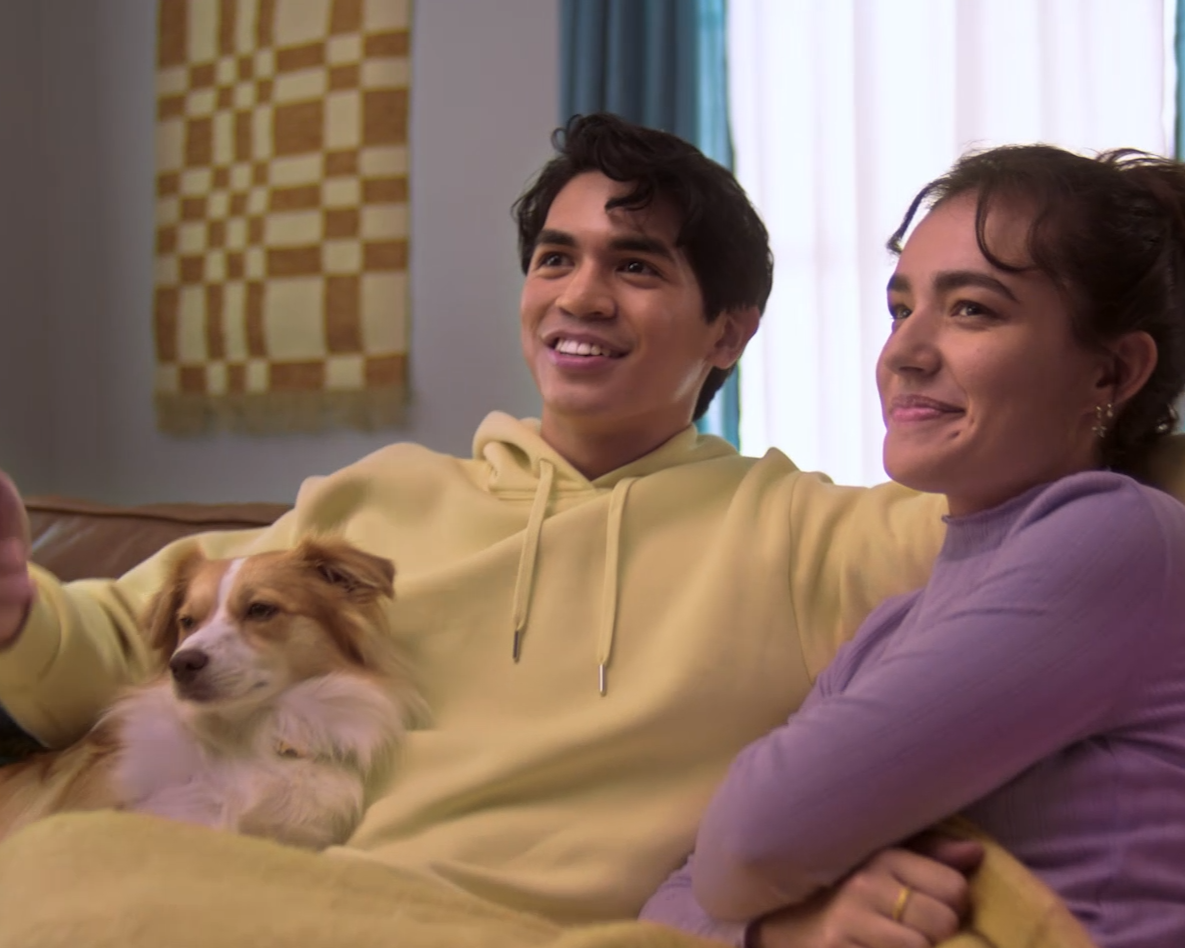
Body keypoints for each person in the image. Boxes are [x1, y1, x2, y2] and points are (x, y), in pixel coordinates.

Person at [642, 144, 1185, 948]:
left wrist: (775, 873)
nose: (903, 353)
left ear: (1110, 373)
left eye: (972, 309)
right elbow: (680, 894)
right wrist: (797, 926)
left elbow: (749, 840)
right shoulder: (892, 629)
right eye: (901, 310)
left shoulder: (1118, 536)